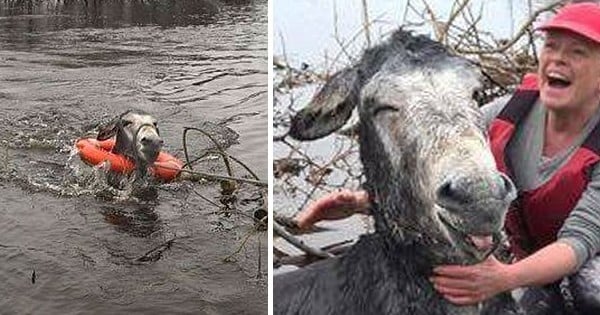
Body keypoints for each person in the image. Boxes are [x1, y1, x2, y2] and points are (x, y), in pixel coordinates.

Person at [293, 3, 600, 314]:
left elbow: (581, 241)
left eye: (578, 51)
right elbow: (445, 159)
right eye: (551, 45)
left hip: (584, 263)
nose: (558, 58)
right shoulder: (510, 113)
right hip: (538, 265)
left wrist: (504, 278)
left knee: (589, 288)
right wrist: (366, 200)